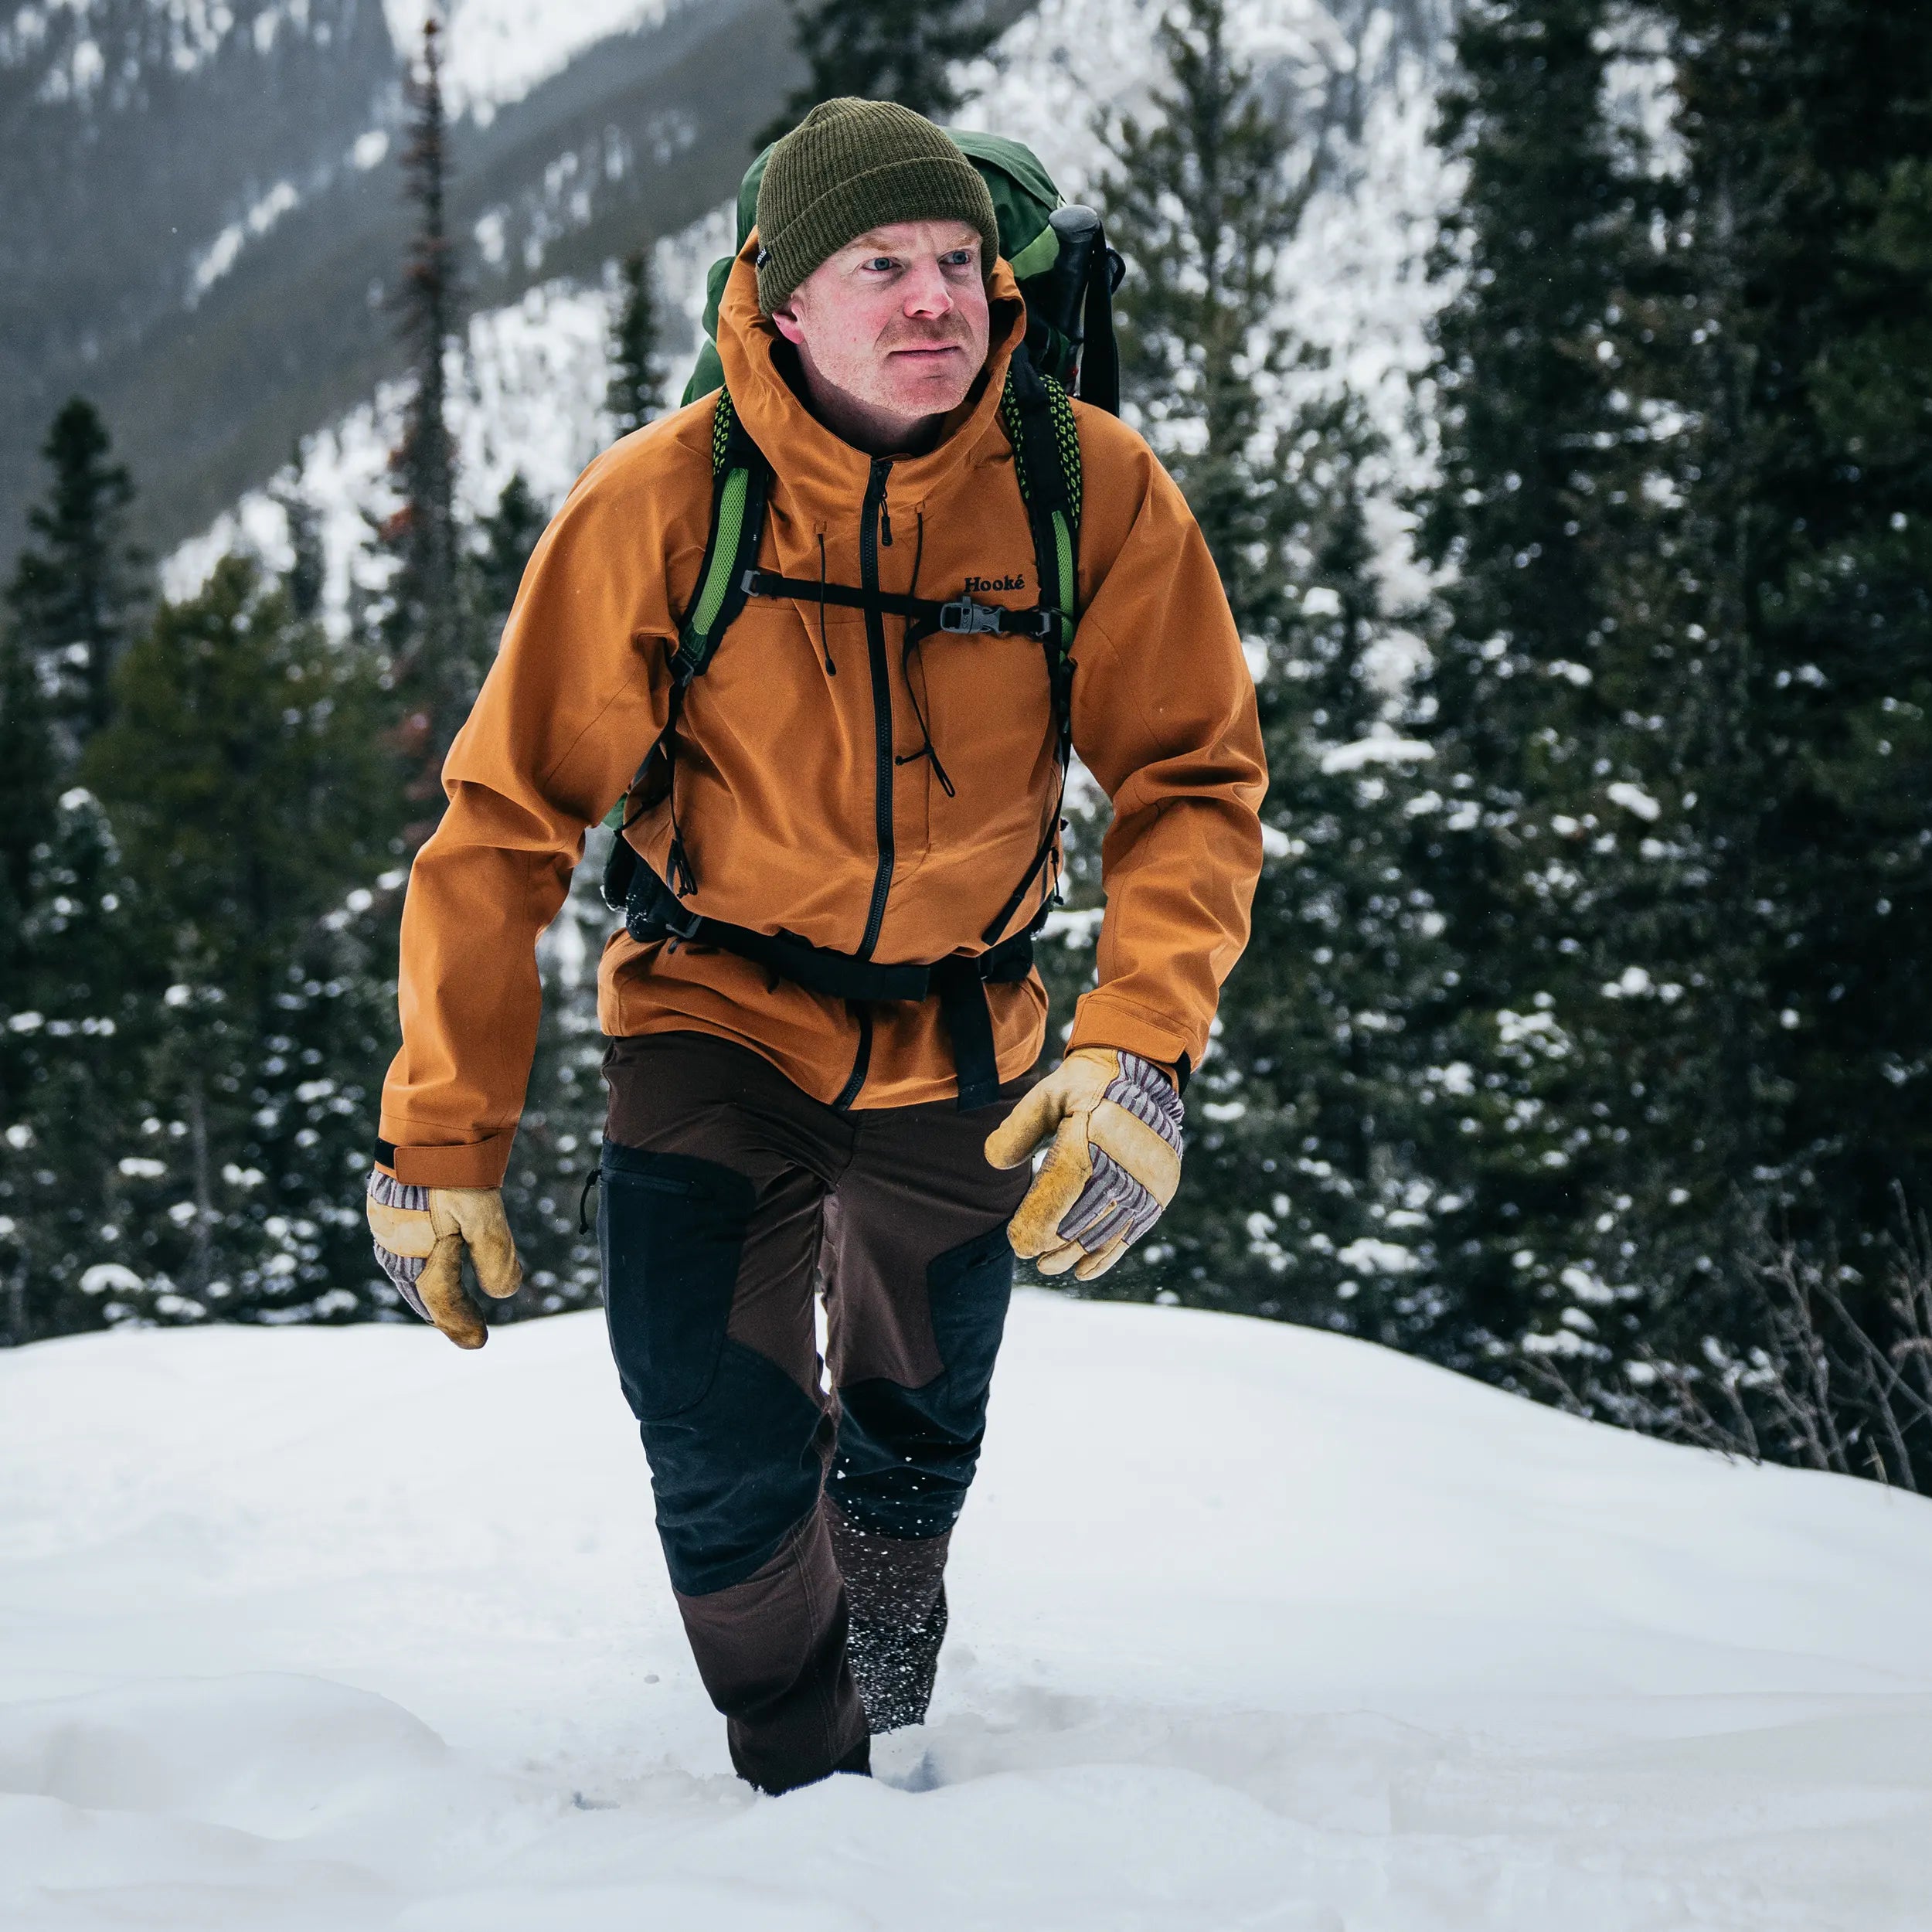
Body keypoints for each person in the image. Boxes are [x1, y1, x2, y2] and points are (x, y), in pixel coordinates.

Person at [363, 100, 1267, 1795]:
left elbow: (1193, 776)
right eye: (879, 268)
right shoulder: (662, 505)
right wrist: (440, 1134)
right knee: (713, 1440)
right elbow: (502, 820)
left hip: (969, 1032)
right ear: (780, 303)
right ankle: (810, 1788)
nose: (933, 300)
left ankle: (888, 1692)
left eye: (953, 264)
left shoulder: (1085, 490)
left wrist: (1137, 1040)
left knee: (916, 1440)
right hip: (715, 1009)